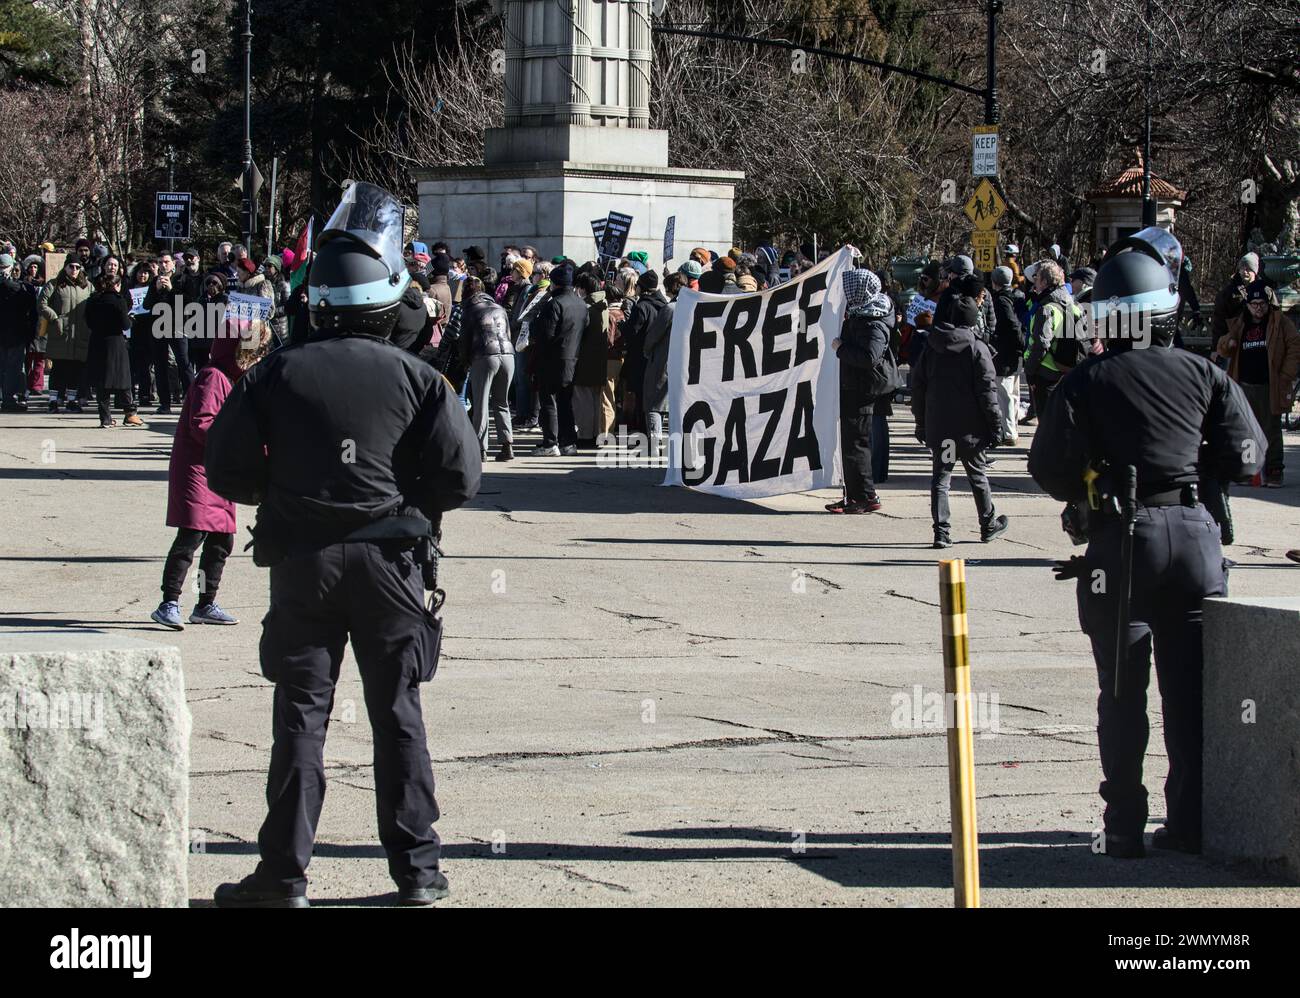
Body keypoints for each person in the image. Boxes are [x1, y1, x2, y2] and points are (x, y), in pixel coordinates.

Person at [205, 182, 482, 907]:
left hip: (303, 562)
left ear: (316, 299)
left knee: (300, 719)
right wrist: (406, 503)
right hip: (392, 563)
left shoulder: (274, 374)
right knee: (398, 716)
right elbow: (461, 476)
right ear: (392, 301)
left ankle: (283, 877)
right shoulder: (422, 379)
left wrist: (287, 490)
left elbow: (225, 466)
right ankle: (418, 872)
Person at [1028, 227, 1265, 859]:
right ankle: (1187, 824)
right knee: (1191, 695)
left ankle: (1124, 827)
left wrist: (1092, 480)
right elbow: (1249, 457)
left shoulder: (1086, 382)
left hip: (1120, 543)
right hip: (1192, 538)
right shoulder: (1205, 374)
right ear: (1166, 310)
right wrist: (1193, 465)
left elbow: (1048, 469)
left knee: (1121, 691)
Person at [151, 320, 273, 630]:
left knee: (221, 541)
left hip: (219, 471)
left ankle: (205, 603)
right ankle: (169, 602)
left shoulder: (233, 380)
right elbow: (202, 423)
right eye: (255, 351)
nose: (259, 357)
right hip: (198, 469)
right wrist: (241, 445)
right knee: (191, 534)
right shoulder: (213, 377)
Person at [911, 295, 1009, 549]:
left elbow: (918, 386)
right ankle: (987, 524)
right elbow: (988, 392)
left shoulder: (932, 345)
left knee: (941, 479)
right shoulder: (977, 348)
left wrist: (920, 422)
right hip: (970, 427)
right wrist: (996, 426)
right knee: (977, 476)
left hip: (941, 424)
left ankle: (942, 532)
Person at [1215, 281, 1300, 487]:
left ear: (1268, 303)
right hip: (1244, 384)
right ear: (1247, 305)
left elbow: (1295, 345)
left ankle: (1274, 471)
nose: (1258, 308)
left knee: (1270, 429)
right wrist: (1229, 343)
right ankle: (1249, 470)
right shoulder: (1240, 323)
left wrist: (1286, 375)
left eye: (1262, 303)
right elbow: (1222, 347)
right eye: (1254, 304)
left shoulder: (1279, 322)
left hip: (1269, 384)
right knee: (1245, 429)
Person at [827, 269, 896, 513]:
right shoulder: (862, 313)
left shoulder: (873, 321)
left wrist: (841, 348)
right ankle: (852, 495)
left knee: (856, 444)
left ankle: (865, 496)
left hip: (862, 388)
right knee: (850, 444)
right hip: (855, 386)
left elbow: (869, 357)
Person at [530, 261, 586, 456]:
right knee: (565, 403)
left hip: (552, 359)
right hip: (573, 359)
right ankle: (568, 442)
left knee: (549, 402)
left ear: (555, 283)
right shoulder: (580, 304)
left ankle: (550, 443)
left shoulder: (554, 304)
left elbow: (545, 336)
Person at [458, 275, 515, 460]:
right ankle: (507, 445)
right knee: (502, 402)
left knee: (481, 403)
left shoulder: (469, 310)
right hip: (507, 354)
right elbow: (507, 333)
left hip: (484, 355)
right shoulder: (499, 308)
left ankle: (480, 448)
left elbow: (464, 340)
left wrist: (464, 361)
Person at [84, 270, 144, 428]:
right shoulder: (118, 301)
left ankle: (105, 418)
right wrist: (131, 320)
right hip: (115, 342)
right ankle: (130, 414)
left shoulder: (93, 300)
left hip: (97, 341)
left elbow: (88, 322)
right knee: (123, 380)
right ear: (117, 285)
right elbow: (125, 325)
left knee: (101, 381)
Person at [39, 257, 94, 412]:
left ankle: (71, 400)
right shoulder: (54, 284)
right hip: (60, 333)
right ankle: (53, 400)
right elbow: (42, 304)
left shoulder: (87, 286)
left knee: (76, 369)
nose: (74, 270)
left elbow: (94, 305)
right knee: (58, 369)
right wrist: (55, 317)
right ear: (65, 267)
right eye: (71, 266)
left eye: (78, 267)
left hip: (80, 334)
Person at [643, 270, 689, 447]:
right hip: (685, 363)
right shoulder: (692, 307)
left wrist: (647, 351)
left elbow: (652, 337)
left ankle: (654, 444)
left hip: (664, 361)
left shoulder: (669, 309)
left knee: (655, 404)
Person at [620, 269, 666, 434]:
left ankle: (642, 431)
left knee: (640, 397)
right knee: (653, 398)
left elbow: (632, 332)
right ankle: (649, 431)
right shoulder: (664, 306)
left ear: (642, 288)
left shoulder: (642, 307)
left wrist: (622, 326)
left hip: (639, 358)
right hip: (658, 358)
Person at [571, 272, 609, 447]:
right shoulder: (603, 305)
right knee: (594, 399)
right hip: (599, 359)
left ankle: (585, 436)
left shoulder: (586, 308)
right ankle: (595, 434)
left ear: (583, 289)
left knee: (583, 400)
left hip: (585, 360)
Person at [989, 266, 1024, 445]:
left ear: (995, 282)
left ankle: (1008, 432)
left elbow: (1011, 325)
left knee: (1004, 393)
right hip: (1017, 353)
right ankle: (1013, 428)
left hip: (1005, 352)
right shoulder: (1019, 296)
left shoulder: (1001, 300)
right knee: (1013, 393)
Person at [0, 253, 37, 411]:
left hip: (16, 333)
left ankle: (14, 397)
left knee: (12, 368)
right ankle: (10, 398)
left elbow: (32, 312)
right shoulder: (21, 287)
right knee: (11, 368)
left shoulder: (23, 288)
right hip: (14, 334)